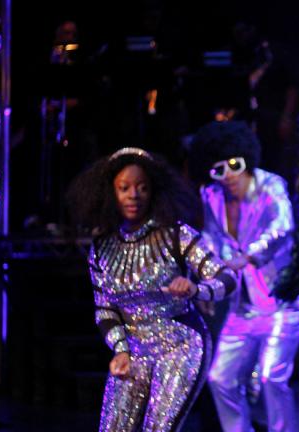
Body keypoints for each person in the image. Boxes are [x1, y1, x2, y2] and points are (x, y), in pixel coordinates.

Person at [68, 147, 237, 431]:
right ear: (112, 193)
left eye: (142, 188)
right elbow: (104, 308)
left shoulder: (176, 235)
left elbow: (227, 278)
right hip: (132, 350)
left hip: (180, 345)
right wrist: (121, 350)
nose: (134, 195)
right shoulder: (101, 248)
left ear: (153, 192)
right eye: (124, 188)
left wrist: (196, 289)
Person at [188, 121, 299, 432]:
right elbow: (211, 241)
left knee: (270, 377)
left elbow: (283, 227)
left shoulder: (271, 186)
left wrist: (250, 254)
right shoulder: (211, 195)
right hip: (244, 305)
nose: (227, 175)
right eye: (217, 170)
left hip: (282, 301)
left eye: (233, 165)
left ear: (246, 159)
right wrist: (207, 284)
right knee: (219, 378)